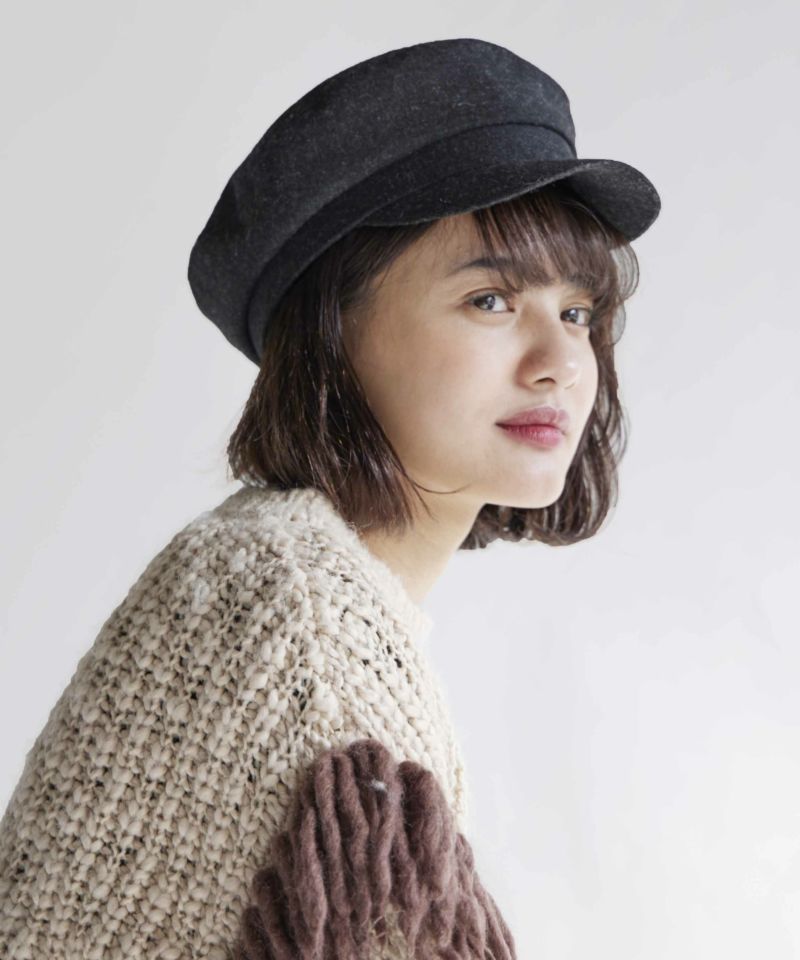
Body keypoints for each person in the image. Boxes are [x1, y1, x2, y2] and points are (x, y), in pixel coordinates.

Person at [0, 37, 660, 960]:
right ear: (335, 336)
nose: (561, 362)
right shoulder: (305, 624)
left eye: (578, 312)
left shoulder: (277, 567)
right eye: (490, 300)